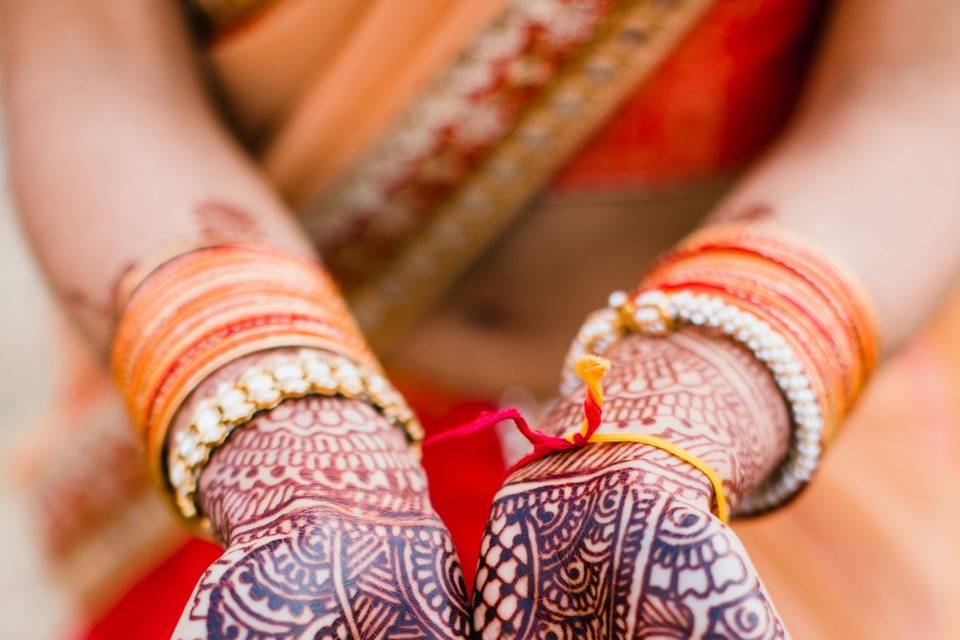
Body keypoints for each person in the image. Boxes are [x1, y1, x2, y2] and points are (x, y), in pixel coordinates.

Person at [1, 0, 959, 638]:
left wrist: (702, 403)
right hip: (248, 464)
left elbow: (919, 94)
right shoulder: (288, 499)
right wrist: (294, 462)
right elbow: (96, 61)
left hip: (749, 474)